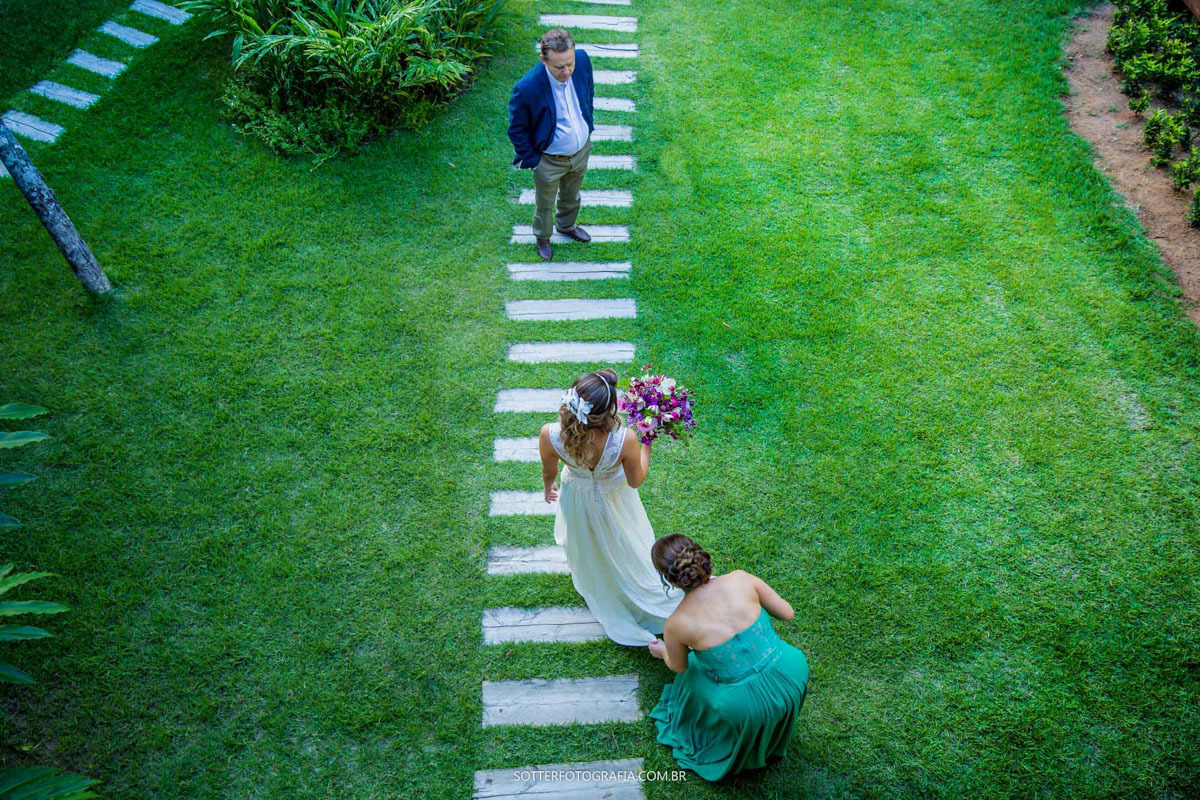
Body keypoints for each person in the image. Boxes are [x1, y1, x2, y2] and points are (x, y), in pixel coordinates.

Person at [647, 534, 810, 781]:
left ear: (668, 579)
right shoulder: (741, 579)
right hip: (791, 672)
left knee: (691, 668)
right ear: (700, 555)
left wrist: (662, 652)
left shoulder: (676, 624)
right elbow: (787, 613)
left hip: (744, 706)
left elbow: (678, 667)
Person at [539, 370, 682, 646]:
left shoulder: (550, 434)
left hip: (576, 499)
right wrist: (647, 443)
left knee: (587, 539)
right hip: (615, 501)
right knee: (622, 539)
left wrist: (549, 488)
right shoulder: (625, 439)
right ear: (607, 412)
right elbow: (635, 479)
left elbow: (549, 471)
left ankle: (600, 576)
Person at [508, 28, 595, 261]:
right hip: (549, 159)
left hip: (580, 151)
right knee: (544, 203)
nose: (567, 71)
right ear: (543, 60)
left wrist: (588, 127)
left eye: (570, 64)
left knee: (572, 195)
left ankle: (567, 226)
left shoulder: (583, 61)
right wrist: (534, 159)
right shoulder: (527, 88)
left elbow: (588, 93)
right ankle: (543, 238)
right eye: (559, 67)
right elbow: (517, 129)